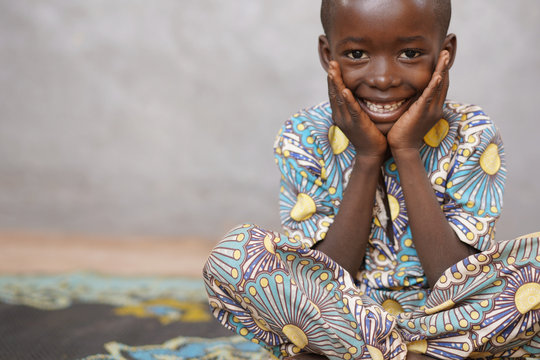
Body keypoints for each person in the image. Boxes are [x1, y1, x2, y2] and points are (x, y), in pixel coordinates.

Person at [203, 1, 540, 359]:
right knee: (233, 256)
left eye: (409, 53)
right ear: (327, 54)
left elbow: (457, 279)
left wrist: (407, 151)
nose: (383, 78)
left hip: (446, 321)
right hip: (343, 323)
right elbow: (321, 279)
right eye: (357, 54)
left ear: (446, 53)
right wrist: (366, 158)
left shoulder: (472, 132)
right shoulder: (303, 136)